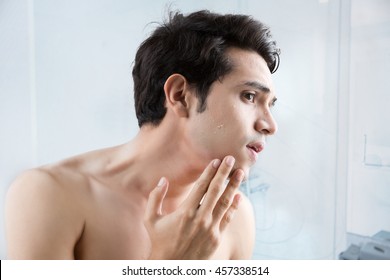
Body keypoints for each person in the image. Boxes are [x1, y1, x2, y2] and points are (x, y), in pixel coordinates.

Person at [5, 10, 279, 260]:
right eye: (250, 96)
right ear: (180, 95)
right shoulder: (51, 195)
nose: (270, 125)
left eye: (271, 105)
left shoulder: (234, 218)